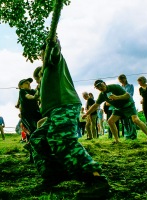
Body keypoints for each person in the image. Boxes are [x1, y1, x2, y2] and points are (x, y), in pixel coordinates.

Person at [30, 38, 109, 198]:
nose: (42, 57)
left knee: (62, 140)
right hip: (54, 111)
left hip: (65, 105)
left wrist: (53, 45)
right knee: (38, 138)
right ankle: (54, 174)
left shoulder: (54, 61)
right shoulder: (45, 74)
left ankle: (96, 179)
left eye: (43, 53)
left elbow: (54, 52)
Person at [83, 80, 147, 144]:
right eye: (97, 87)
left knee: (135, 120)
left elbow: (127, 95)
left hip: (128, 105)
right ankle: (117, 140)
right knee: (110, 121)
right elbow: (95, 105)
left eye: (100, 85)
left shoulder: (115, 87)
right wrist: (86, 114)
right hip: (119, 108)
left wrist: (116, 97)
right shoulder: (102, 95)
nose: (100, 87)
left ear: (104, 83)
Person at [118, 74, 137, 139]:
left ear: (125, 79)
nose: (121, 81)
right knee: (124, 121)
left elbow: (130, 95)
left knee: (132, 121)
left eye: (122, 79)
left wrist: (121, 97)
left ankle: (133, 135)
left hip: (129, 104)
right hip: (122, 106)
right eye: (120, 80)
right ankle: (128, 134)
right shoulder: (120, 87)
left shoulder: (130, 86)